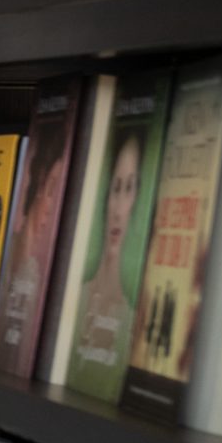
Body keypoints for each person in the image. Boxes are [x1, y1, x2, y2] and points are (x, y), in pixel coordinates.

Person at [73, 131, 144, 370]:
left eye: (129, 189)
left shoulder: (133, 325)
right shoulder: (72, 301)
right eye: (115, 188)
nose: (119, 210)